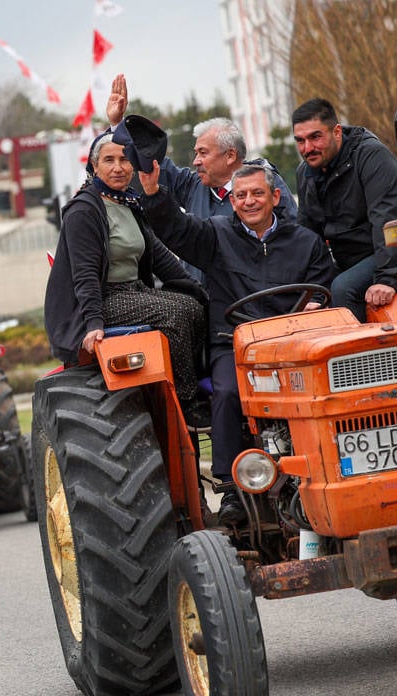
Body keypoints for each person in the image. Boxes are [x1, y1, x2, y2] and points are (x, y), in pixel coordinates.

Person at [141, 162, 336, 525]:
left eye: (257, 193)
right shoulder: (215, 236)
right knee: (228, 392)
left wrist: (315, 305)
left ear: (275, 197)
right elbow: (177, 230)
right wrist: (153, 194)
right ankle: (232, 488)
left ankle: (326, 470)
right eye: (241, 195)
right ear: (231, 202)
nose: (249, 201)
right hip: (234, 344)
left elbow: (322, 288)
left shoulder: (305, 242)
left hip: (292, 346)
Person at [43, 120, 207, 418]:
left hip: (134, 292)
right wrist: (93, 323)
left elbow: (160, 256)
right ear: (94, 167)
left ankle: (199, 386)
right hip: (100, 299)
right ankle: (187, 404)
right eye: (109, 160)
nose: (118, 168)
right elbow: (85, 275)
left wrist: (199, 292)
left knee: (194, 308)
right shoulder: (84, 211)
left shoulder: (130, 202)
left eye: (124, 160)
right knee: (173, 315)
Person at [107, 73, 296, 221]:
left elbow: (291, 237)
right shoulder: (193, 186)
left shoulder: (266, 185)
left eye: (203, 153)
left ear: (230, 155)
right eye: (196, 153)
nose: (196, 161)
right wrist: (118, 124)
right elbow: (152, 162)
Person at [291, 97, 397, 321]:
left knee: (344, 287)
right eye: (300, 141)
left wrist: (388, 278)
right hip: (350, 259)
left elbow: (388, 219)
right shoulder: (305, 173)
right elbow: (309, 238)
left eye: (315, 137)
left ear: (336, 132)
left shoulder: (372, 156)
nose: (307, 148)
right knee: (297, 294)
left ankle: (361, 345)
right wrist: (313, 293)